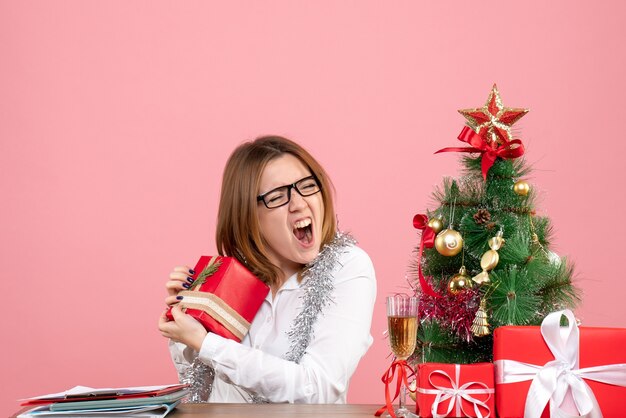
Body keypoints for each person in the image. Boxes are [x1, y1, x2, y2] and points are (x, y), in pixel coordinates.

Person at [158, 135, 376, 403]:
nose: (299, 203)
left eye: (307, 186)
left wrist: (207, 344)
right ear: (248, 215)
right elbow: (198, 391)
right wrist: (185, 326)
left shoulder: (348, 267)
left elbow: (318, 388)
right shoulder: (232, 278)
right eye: (277, 196)